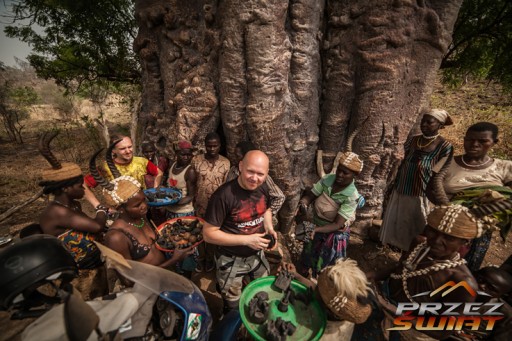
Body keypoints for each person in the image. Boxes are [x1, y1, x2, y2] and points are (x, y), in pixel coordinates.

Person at [360, 205, 484, 340]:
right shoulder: (419, 244)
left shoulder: (463, 282)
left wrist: (391, 310)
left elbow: (441, 331)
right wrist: (371, 275)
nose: (436, 241)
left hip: (406, 330)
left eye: (449, 238)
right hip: (380, 302)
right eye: (433, 232)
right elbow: (402, 268)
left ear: (465, 243)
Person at [90, 143, 193, 269]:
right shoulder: (116, 237)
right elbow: (129, 279)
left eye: (144, 201)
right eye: (137, 205)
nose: (144, 206)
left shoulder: (140, 218)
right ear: (120, 209)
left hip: (165, 278)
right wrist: (174, 260)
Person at [427, 122, 512, 272]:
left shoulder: (504, 167)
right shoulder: (447, 163)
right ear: (464, 139)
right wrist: (450, 208)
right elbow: (429, 189)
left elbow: (508, 198)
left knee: (462, 269)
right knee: (426, 258)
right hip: (445, 222)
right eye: (470, 139)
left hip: (478, 228)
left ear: (494, 142)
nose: (475, 144)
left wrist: (477, 211)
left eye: (483, 141)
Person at [202, 150, 277, 315]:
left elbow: (267, 209)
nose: (254, 178)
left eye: (260, 174)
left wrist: (270, 228)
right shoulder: (223, 196)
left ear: (266, 174)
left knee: (263, 292)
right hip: (230, 259)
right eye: (250, 171)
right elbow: (208, 234)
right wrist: (246, 240)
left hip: (258, 254)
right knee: (233, 303)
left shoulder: (262, 187)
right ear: (241, 166)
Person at [379, 109, 453, 252]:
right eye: (423, 121)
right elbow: (402, 159)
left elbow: (441, 171)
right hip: (403, 184)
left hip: (422, 190)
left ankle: (412, 249)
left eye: (429, 122)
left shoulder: (445, 146)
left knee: (417, 219)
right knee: (398, 216)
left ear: (440, 125)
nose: (424, 125)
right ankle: (394, 244)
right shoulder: (414, 139)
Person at [38, 131, 106, 270]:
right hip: (76, 271)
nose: (83, 189)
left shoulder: (73, 205)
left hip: (92, 263)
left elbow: (89, 227)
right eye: (80, 186)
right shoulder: (58, 212)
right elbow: (97, 226)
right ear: (66, 188)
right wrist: (101, 210)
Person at [297, 151, 364, 278]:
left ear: (355, 175)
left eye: (345, 173)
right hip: (317, 225)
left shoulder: (352, 196)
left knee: (327, 266)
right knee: (308, 255)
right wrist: (304, 203)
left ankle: (320, 284)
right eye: (339, 170)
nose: (340, 174)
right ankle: (303, 277)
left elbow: (338, 224)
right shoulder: (328, 179)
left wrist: (316, 229)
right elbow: (311, 195)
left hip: (333, 234)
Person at [280, 259, 372, 341]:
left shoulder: (323, 335)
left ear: (328, 309)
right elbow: (316, 289)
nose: (316, 290)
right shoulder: (341, 308)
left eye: (318, 292)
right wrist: (296, 275)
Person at [83, 135, 163, 209]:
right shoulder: (105, 168)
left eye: (130, 147)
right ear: (113, 150)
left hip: (142, 205)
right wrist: (98, 205)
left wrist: (155, 189)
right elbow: (84, 185)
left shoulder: (141, 162)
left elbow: (159, 173)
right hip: (121, 210)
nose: (128, 151)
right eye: (122, 149)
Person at [192, 132, 231, 272]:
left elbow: (226, 185)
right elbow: (192, 182)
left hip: (217, 207)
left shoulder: (226, 163)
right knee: (199, 233)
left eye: (215, 146)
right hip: (200, 205)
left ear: (220, 146)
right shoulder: (196, 160)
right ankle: (201, 259)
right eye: (209, 146)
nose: (212, 149)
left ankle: (210, 259)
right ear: (205, 146)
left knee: (213, 233)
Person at [226, 141, 285, 219]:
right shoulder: (233, 171)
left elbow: (279, 197)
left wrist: (265, 216)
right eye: (235, 155)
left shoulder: (262, 177)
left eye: (238, 156)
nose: (235, 158)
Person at [165, 140, 197, 219]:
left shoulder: (190, 171)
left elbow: (191, 196)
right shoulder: (172, 165)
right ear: (177, 154)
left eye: (188, 155)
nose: (186, 157)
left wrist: (174, 202)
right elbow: (169, 187)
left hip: (183, 213)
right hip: (169, 210)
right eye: (183, 155)